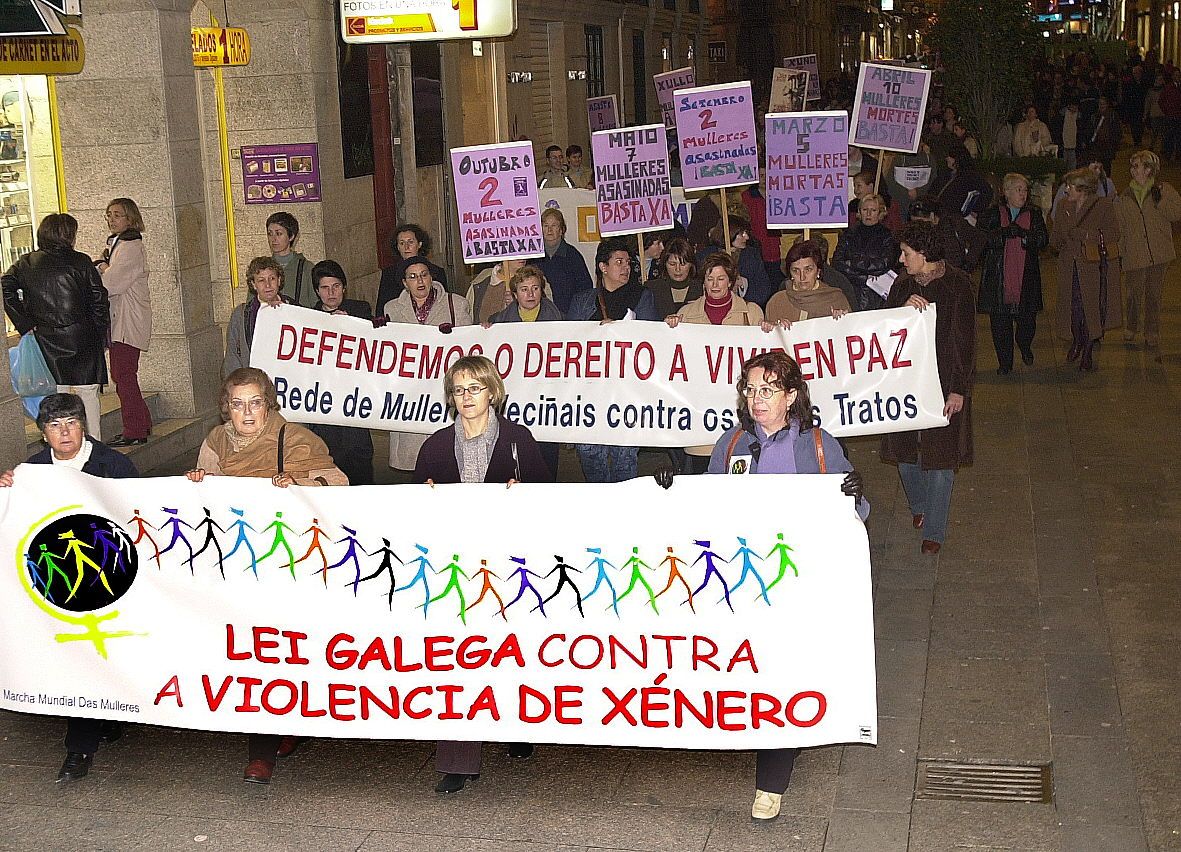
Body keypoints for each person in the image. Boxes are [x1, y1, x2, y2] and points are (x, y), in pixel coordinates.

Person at [698, 350, 866, 821]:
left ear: (792, 396)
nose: (757, 399)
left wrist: (854, 497)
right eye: (750, 390)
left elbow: (857, 514)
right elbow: (706, 507)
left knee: (782, 671)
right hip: (742, 579)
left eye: (768, 390)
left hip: (797, 581)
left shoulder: (817, 445)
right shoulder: (730, 446)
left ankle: (771, 780)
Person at [185, 368, 348, 784]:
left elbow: (337, 480)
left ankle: (285, 731)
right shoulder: (216, 441)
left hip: (289, 561)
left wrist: (300, 483)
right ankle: (268, 741)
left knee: (287, 649)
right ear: (227, 408)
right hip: (240, 564)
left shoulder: (294, 439)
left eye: (255, 402)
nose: (247, 412)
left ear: (268, 402)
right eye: (237, 404)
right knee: (256, 652)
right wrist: (198, 484)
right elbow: (201, 495)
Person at [411, 356, 549, 793]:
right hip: (455, 566)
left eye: (474, 388)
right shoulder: (434, 446)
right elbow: (409, 508)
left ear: (492, 392)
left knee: (510, 650)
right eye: (458, 390)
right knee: (458, 655)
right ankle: (458, 758)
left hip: (509, 564)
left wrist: (524, 495)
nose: (466, 398)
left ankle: (518, 724)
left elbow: (552, 498)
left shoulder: (517, 441)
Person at [0, 394, 137, 782]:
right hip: (59, 580)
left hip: (109, 574)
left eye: (72, 423)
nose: (65, 433)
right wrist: (7, 491)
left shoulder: (114, 465)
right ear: (43, 434)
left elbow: (140, 516)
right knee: (79, 658)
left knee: (99, 653)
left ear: (84, 426)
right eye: (55, 426)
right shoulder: (31, 471)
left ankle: (93, 733)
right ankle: (88, 737)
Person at [881, 222, 975, 556]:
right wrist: (902, 310)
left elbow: (965, 339)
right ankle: (920, 505)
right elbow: (882, 330)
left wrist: (959, 389)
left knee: (941, 459)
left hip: (944, 381)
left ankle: (934, 529)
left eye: (906, 253)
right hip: (906, 383)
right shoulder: (902, 285)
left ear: (924, 254)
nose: (901, 259)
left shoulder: (958, 284)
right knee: (904, 452)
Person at [2, 213, 109, 437]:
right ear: (68, 235)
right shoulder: (80, 261)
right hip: (82, 335)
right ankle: (95, 447)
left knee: (56, 395)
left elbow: (7, 286)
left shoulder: (27, 263)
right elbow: (99, 299)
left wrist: (24, 322)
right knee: (88, 394)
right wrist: (100, 332)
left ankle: (61, 444)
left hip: (46, 337)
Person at [566, 238, 658, 482]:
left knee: (624, 456)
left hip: (626, 391)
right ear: (602, 267)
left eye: (628, 263)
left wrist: (619, 331)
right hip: (589, 392)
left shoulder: (642, 297)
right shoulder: (582, 301)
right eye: (619, 262)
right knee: (589, 454)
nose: (626, 267)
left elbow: (652, 339)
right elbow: (569, 342)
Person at [666, 253, 766, 473]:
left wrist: (772, 331)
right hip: (701, 411)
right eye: (710, 279)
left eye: (721, 279)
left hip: (739, 408)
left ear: (730, 282)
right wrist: (669, 329)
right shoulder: (685, 314)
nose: (715, 284)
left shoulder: (752, 312)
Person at [384, 256, 473, 470]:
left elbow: (468, 345)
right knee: (416, 468)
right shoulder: (392, 309)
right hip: (409, 396)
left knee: (448, 461)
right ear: (405, 283)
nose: (420, 281)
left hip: (443, 390)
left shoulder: (456, 304)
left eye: (424, 275)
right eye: (413, 277)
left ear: (432, 277)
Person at [306, 260, 375, 485]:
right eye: (325, 288)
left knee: (359, 463)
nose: (331, 293)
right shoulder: (307, 318)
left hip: (355, 403)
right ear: (317, 291)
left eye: (336, 286)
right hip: (324, 405)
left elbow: (377, 344)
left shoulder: (360, 310)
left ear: (344, 287)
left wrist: (353, 326)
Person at [1051, 166, 1123, 372]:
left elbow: (1113, 234)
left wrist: (1086, 235)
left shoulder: (1103, 205)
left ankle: (1088, 349)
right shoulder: (1064, 205)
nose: (1066, 190)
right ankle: (1077, 340)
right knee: (1072, 308)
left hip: (1093, 268)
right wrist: (1057, 242)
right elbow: (1056, 236)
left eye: (1070, 186)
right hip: (1069, 267)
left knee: (1090, 309)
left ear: (1083, 189)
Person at [977, 174, 1049, 374]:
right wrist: (1002, 235)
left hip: (1026, 278)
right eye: (1018, 190)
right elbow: (980, 239)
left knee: (1027, 322)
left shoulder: (1034, 214)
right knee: (1000, 324)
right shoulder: (992, 214)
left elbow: (1043, 240)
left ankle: (1024, 345)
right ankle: (1005, 363)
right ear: (1006, 192)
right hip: (999, 278)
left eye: (1025, 190)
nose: (1023, 194)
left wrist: (1025, 236)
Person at [97, 198, 152, 446]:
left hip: (128, 320)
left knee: (123, 374)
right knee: (124, 374)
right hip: (122, 319)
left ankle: (135, 430)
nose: (111, 219)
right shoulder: (118, 242)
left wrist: (103, 266)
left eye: (117, 215)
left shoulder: (130, 246)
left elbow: (112, 283)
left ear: (130, 218)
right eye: (109, 215)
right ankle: (141, 424)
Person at [1116, 150, 1181, 349]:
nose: (1133, 171)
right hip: (1134, 252)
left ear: (1149, 169)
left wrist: (1159, 200)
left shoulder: (1164, 190)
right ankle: (1132, 326)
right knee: (1133, 292)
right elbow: (1120, 227)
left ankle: (1152, 331)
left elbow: (1176, 214)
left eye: (1137, 166)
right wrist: (1120, 252)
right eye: (1132, 166)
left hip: (1158, 252)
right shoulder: (1125, 195)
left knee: (1154, 294)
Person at [223, 256, 292, 376]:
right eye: (261, 280)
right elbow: (232, 355)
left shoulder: (294, 308)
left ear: (279, 280)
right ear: (253, 284)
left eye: (272, 278)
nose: (268, 285)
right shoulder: (241, 315)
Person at [830, 194, 899, 311]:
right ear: (859, 212)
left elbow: (886, 263)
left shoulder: (888, 235)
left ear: (880, 212)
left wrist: (854, 263)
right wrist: (864, 276)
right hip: (849, 290)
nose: (868, 214)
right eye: (865, 210)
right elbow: (837, 263)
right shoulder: (849, 234)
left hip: (877, 294)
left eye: (873, 210)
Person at [764, 240, 851, 324]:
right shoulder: (777, 302)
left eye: (808, 270)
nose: (802, 277)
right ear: (790, 274)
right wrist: (774, 329)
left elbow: (850, 332)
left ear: (818, 271)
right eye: (796, 271)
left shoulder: (836, 299)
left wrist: (842, 322)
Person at [376, 224, 449, 311]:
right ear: (398, 247)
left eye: (410, 242)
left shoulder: (436, 271)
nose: (406, 247)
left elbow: (444, 304)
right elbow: (381, 309)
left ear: (419, 244)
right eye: (402, 243)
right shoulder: (389, 274)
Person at [534, 208, 593, 314]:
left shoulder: (573, 256)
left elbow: (586, 289)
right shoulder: (533, 257)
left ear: (561, 230)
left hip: (568, 317)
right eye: (546, 226)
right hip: (539, 317)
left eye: (554, 226)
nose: (549, 230)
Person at [931, 143, 992, 226]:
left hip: (959, 221)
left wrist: (975, 210)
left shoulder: (971, 177)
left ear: (957, 159)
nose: (947, 158)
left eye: (950, 156)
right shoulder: (945, 175)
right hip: (943, 217)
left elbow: (986, 193)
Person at [266, 212, 315, 308]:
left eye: (279, 233)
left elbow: (316, 305)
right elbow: (251, 307)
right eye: (270, 234)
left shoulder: (306, 268)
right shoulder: (261, 269)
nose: (273, 239)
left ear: (291, 236)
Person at [646, 237, 703, 319]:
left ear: (691, 265)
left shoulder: (702, 288)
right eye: (672, 264)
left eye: (683, 264)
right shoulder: (651, 289)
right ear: (665, 264)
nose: (678, 269)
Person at [1086, 96, 1122, 176]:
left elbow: (1117, 131)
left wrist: (1115, 144)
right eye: (1100, 104)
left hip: (1108, 145)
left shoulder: (1112, 116)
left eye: (1103, 104)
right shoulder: (1094, 116)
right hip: (1097, 146)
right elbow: (1090, 130)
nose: (1101, 106)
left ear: (1107, 105)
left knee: (1107, 167)